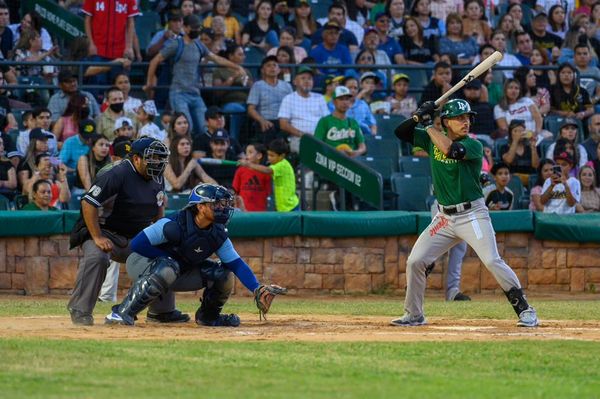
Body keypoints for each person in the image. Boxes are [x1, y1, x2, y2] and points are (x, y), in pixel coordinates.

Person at [391, 98, 539, 327]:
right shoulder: (431, 138)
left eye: (467, 117)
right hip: (444, 217)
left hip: (472, 214)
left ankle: (525, 310)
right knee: (416, 261)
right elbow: (400, 132)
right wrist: (418, 117)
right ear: (447, 122)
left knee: (491, 260)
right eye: (459, 118)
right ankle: (414, 314)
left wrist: (429, 125)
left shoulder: (473, 145)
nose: (466, 122)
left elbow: (451, 150)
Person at [104, 183, 287, 326]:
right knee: (168, 267)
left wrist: (256, 288)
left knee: (223, 275)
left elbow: (236, 264)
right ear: (200, 207)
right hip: (140, 262)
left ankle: (208, 318)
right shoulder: (174, 224)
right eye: (216, 204)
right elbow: (137, 244)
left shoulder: (217, 233)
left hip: (175, 270)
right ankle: (121, 313)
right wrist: (166, 258)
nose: (222, 208)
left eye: (223, 204)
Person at [67, 138, 174, 326]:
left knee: (165, 256)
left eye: (160, 158)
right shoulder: (116, 173)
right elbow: (88, 202)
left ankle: (161, 312)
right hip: (105, 231)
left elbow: (159, 206)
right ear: (136, 159)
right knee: (97, 257)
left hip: (136, 236)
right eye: (153, 158)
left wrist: (161, 237)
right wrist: (97, 236)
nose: (157, 163)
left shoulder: (157, 177)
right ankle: (80, 309)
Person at [145, 14, 247, 137]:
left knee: (206, 128)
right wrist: (150, 83)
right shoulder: (176, 44)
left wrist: (236, 66)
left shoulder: (199, 45)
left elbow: (216, 58)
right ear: (186, 28)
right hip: (179, 93)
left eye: (198, 27)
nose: (197, 30)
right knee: (186, 127)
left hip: (195, 93)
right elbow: (155, 60)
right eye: (194, 27)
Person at [278, 66, 330, 153]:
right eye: (303, 78)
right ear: (295, 82)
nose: (307, 81)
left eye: (309, 78)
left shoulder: (319, 98)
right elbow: (283, 124)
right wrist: (303, 135)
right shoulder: (289, 99)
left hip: (321, 139)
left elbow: (328, 121)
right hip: (299, 138)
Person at [239, 138, 299, 212]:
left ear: (282, 156)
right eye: (268, 155)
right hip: (283, 208)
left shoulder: (282, 165)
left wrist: (248, 164)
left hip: (290, 207)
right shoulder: (276, 164)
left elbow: (267, 170)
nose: (269, 158)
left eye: (272, 155)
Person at [247, 55, 293, 145]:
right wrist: (262, 120)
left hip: (284, 121)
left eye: (275, 65)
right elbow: (251, 109)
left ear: (279, 69)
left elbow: (293, 106)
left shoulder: (287, 86)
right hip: (266, 121)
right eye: (268, 65)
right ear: (263, 70)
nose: (272, 67)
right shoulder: (258, 86)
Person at [314, 85, 366, 158]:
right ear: (334, 101)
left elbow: (362, 147)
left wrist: (356, 153)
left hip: (350, 161)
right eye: (341, 99)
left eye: (347, 99)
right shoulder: (325, 121)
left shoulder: (353, 122)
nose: (344, 102)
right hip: (330, 160)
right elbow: (316, 144)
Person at [232, 142, 272, 211]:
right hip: (243, 211)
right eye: (246, 153)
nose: (247, 156)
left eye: (250, 152)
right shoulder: (240, 170)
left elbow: (268, 192)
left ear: (259, 156)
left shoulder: (265, 172)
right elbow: (235, 191)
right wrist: (236, 207)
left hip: (260, 211)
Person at [500, 119, 540, 185]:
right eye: (515, 131)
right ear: (510, 133)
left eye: (521, 131)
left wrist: (533, 147)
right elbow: (508, 160)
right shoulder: (504, 147)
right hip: (513, 180)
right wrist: (515, 141)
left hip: (529, 179)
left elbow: (535, 165)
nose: (519, 133)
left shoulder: (530, 147)